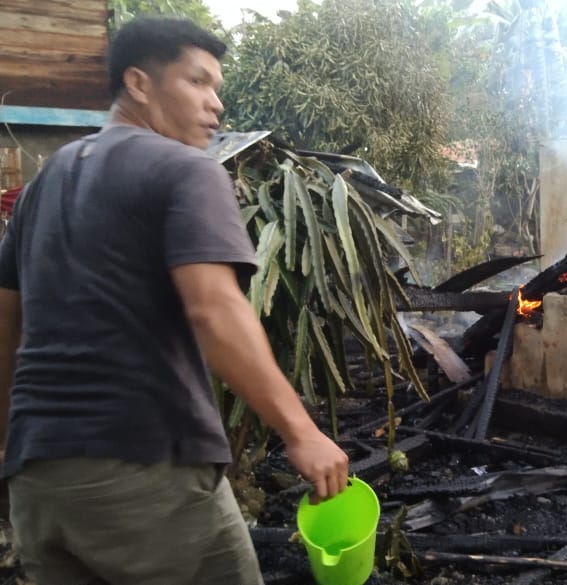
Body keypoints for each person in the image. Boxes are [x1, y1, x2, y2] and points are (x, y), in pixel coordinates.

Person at [0, 16, 350, 584]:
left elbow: (6, 324)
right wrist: (301, 432)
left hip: (39, 482)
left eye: (216, 88)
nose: (215, 104)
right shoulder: (185, 169)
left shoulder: (44, 183)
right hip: (145, 472)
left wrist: (6, 447)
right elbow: (214, 310)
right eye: (197, 82)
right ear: (139, 84)